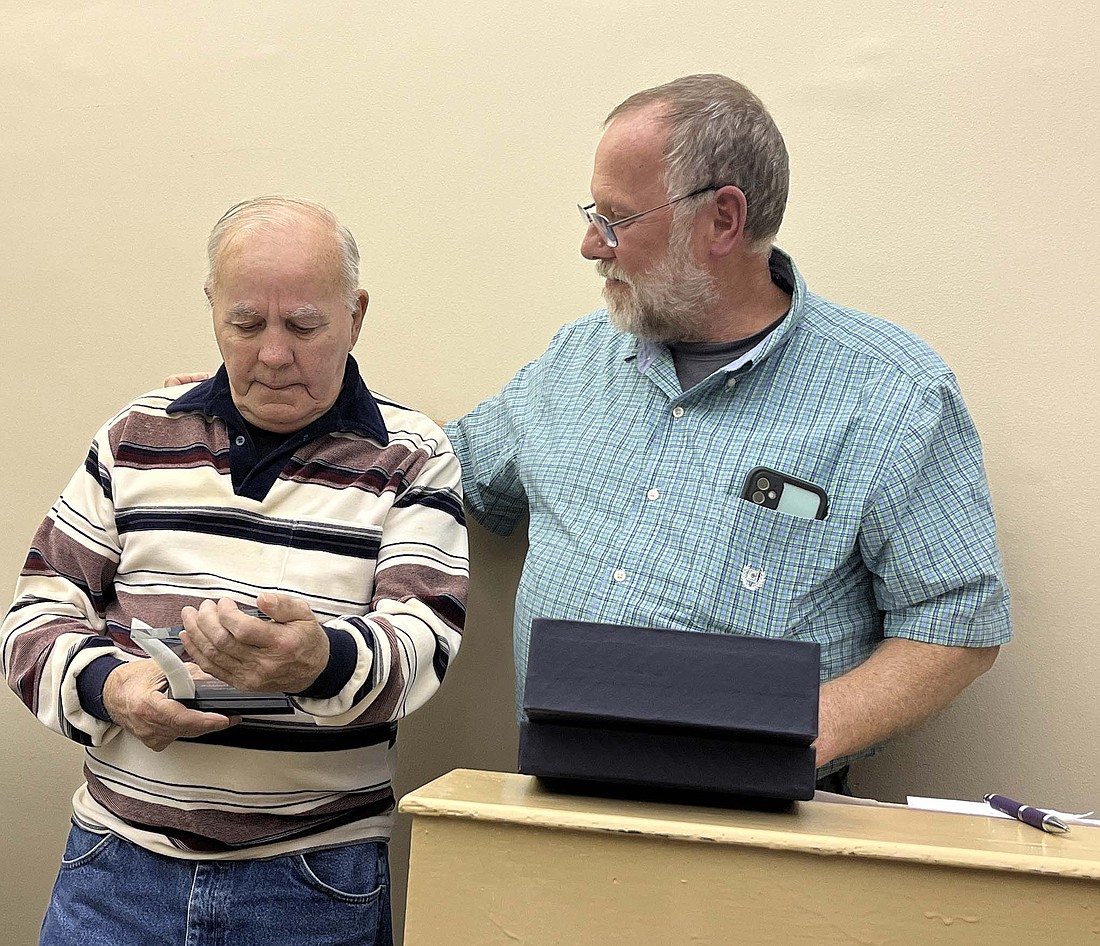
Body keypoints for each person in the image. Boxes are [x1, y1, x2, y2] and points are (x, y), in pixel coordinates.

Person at [444, 74, 1010, 790]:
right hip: (558, 810)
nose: (593, 244)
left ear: (722, 220)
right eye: (594, 213)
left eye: (616, 218)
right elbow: (449, 467)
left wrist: (783, 736)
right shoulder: (575, 360)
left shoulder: (892, 394)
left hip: (758, 836)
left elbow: (956, 626)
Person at [2, 196, 468, 945]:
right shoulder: (137, 433)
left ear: (357, 314)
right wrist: (112, 688)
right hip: (116, 871)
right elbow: (31, 619)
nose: (274, 354)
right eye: (245, 325)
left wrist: (319, 661)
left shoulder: (412, 454)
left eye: (305, 326)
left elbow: (425, 642)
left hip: (314, 884)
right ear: (213, 310)